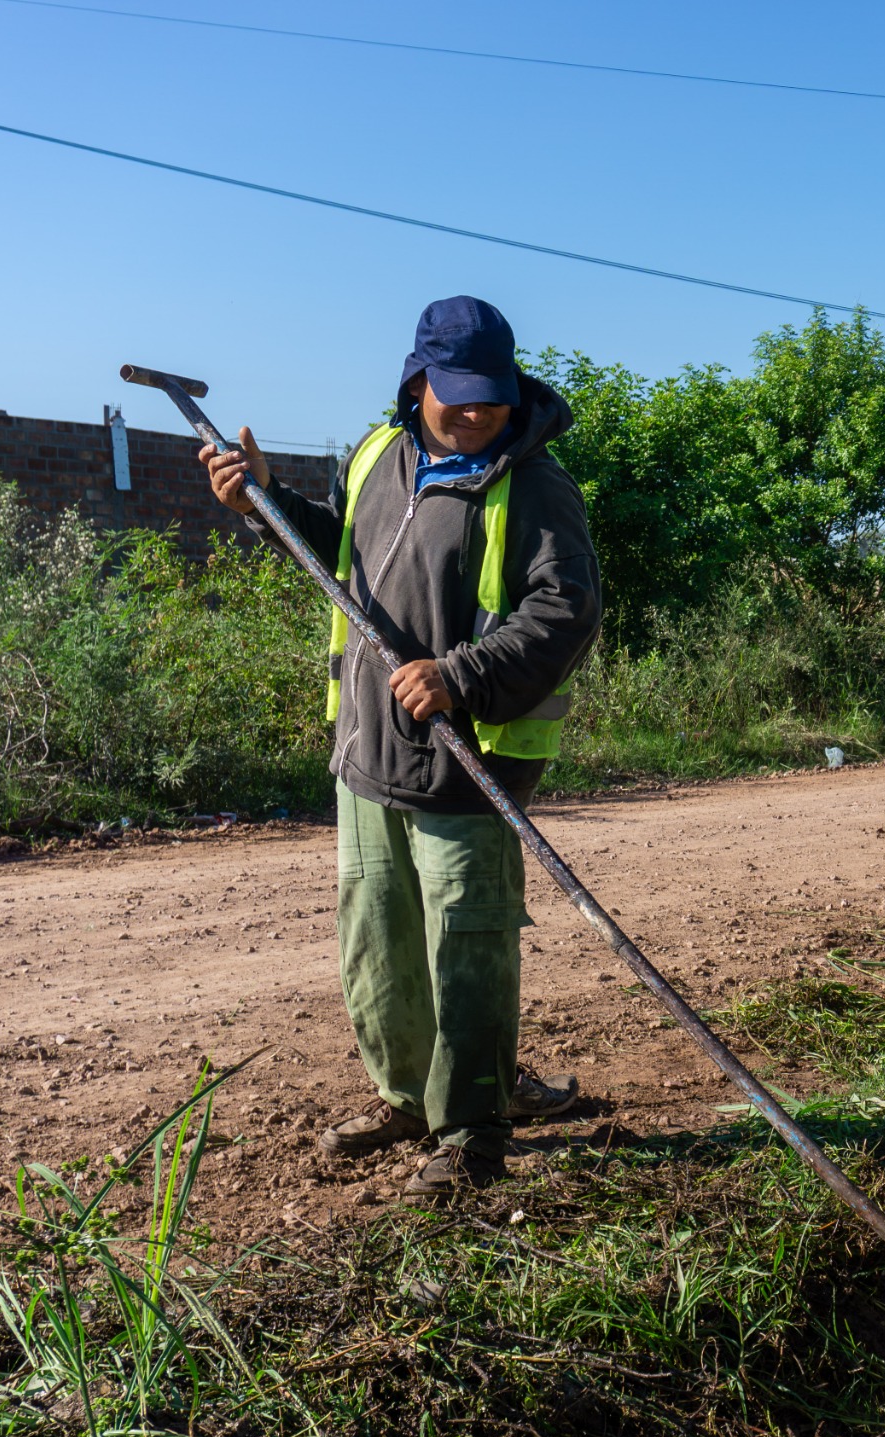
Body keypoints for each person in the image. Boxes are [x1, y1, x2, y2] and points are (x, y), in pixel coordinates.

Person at [198, 296, 603, 1197]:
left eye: (489, 396)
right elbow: (341, 562)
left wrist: (461, 673)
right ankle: (409, 1099)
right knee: (377, 942)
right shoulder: (378, 456)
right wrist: (263, 502)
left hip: (469, 762)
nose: (474, 413)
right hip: (370, 750)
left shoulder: (534, 484)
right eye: (455, 395)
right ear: (416, 383)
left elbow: (566, 612)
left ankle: (471, 1134)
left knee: (466, 947)